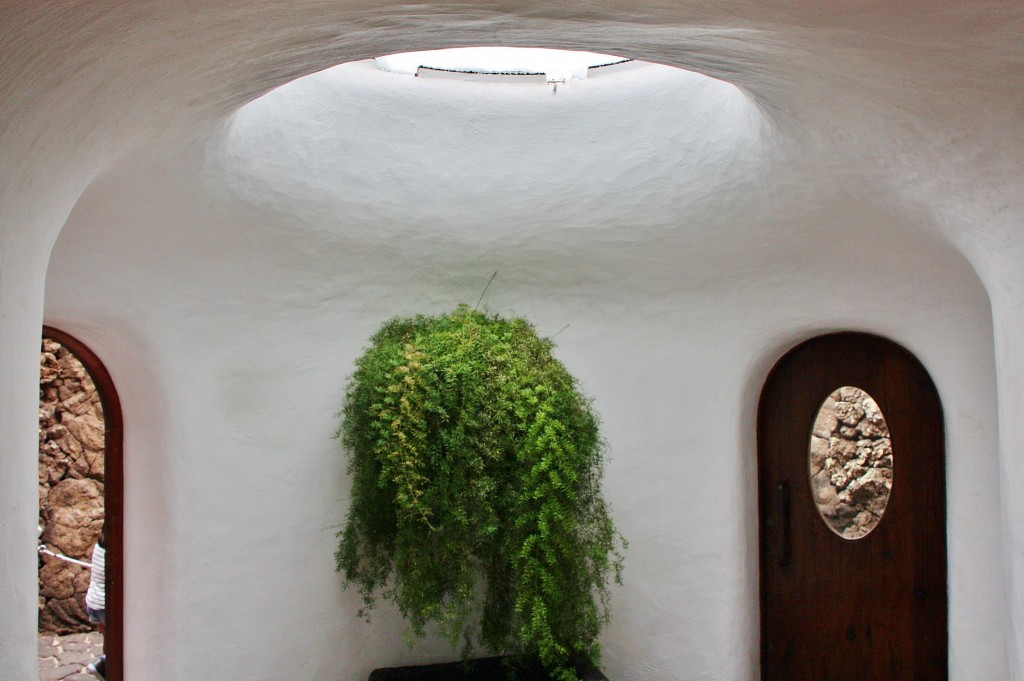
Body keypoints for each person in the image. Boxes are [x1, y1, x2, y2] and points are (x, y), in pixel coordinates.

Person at [84, 523, 106, 680]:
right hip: (105, 606)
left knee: (108, 640)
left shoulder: (99, 547)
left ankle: (107, 666)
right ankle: (104, 666)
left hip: (94, 603)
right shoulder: (112, 552)